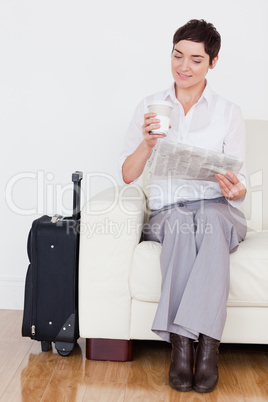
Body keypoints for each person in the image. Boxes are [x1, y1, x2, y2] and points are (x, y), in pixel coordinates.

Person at [118, 19, 247, 393]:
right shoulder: (150, 106)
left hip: (217, 208)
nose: (184, 67)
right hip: (168, 210)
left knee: (209, 218)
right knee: (178, 224)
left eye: (195, 59)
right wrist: (147, 143)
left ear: (213, 63)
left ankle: (205, 349)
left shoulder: (228, 112)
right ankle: (182, 351)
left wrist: (234, 190)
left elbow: (238, 187)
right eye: (178, 56)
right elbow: (127, 175)